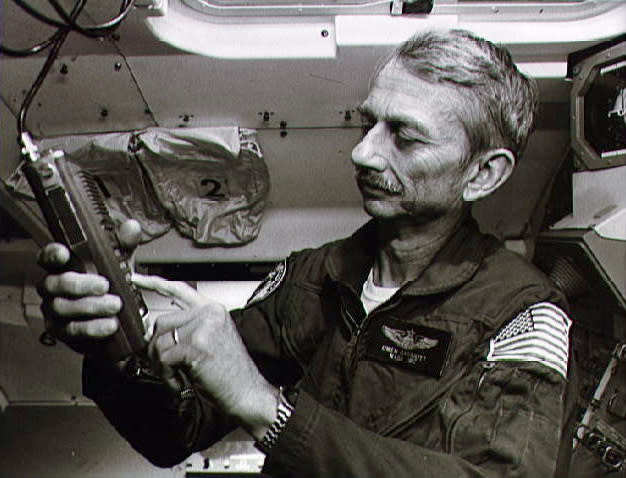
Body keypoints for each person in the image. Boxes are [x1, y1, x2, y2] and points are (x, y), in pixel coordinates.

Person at [38, 29, 573, 478]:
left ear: (483, 174)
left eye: (404, 138)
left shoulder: (523, 312)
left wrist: (267, 408)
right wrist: (110, 338)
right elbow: (173, 434)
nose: (363, 153)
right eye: (369, 124)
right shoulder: (313, 276)